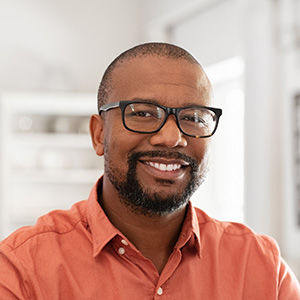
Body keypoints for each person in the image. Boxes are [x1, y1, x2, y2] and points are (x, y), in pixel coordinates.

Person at [0, 42, 299, 299]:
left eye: (193, 117)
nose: (171, 137)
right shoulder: (22, 269)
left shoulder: (260, 267)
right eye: (143, 113)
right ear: (98, 135)